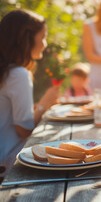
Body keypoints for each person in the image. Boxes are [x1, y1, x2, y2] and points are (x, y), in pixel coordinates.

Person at [0, 10, 60, 173]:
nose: (45, 44)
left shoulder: (6, 72)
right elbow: (24, 129)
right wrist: (44, 103)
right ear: (27, 39)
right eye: (43, 37)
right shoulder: (18, 74)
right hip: (9, 163)